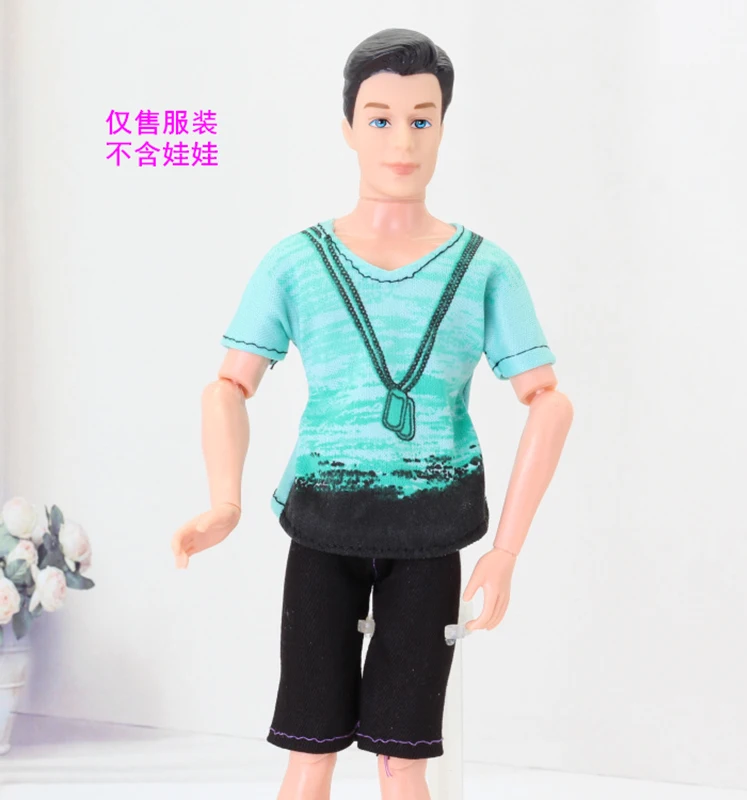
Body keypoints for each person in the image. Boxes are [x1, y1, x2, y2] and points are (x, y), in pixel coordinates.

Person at [171, 27, 573, 800]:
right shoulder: (296, 262)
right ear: (348, 127)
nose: (402, 141)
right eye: (380, 118)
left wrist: (506, 551)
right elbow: (227, 385)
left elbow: (549, 402)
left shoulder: (484, 268)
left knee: (404, 756)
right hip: (324, 524)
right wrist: (225, 501)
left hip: (431, 532)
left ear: (444, 127)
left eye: (422, 119)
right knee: (308, 748)